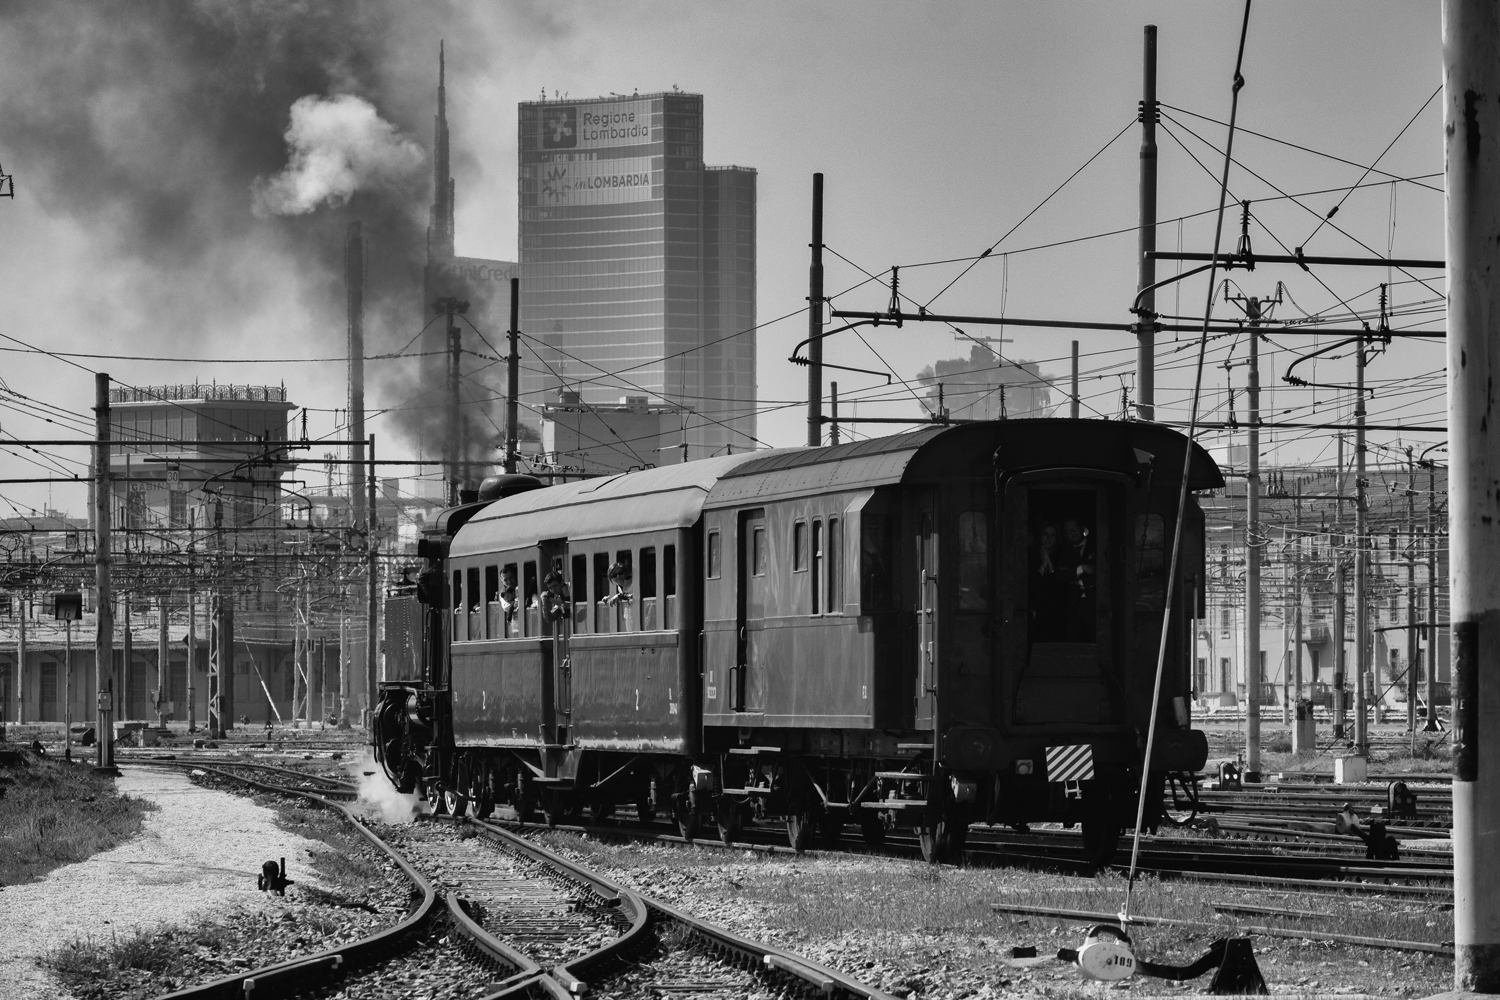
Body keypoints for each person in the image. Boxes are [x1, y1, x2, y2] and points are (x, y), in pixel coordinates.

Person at [1061, 517, 1097, 641]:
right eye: (1068, 531)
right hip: (1072, 607)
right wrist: (1083, 568)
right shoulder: (1064, 553)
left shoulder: (1098, 546)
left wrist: (1078, 581)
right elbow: (1060, 577)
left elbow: (1100, 574)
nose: (1073, 532)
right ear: (1065, 535)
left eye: (1075, 528)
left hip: (1095, 606)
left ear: (1082, 529)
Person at [1031, 522, 1067, 641]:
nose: (1048, 538)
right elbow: (1032, 582)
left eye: (1052, 535)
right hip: (1036, 609)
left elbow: (1057, 582)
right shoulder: (1032, 555)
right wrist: (1043, 564)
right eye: (1045, 534)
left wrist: (1049, 564)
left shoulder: (1061, 556)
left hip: (1055, 610)